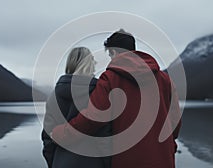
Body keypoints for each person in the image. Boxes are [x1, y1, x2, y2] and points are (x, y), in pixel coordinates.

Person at [52, 29, 182, 168]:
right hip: (163, 159)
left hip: (127, 160)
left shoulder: (110, 78)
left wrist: (62, 134)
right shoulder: (164, 79)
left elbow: (93, 118)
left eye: (109, 54)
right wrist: (167, 147)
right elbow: (175, 122)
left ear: (113, 51)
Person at [41, 47, 111, 168]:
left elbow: (47, 139)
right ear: (90, 64)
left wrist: (54, 163)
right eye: (93, 61)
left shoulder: (54, 95)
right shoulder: (99, 94)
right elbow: (105, 137)